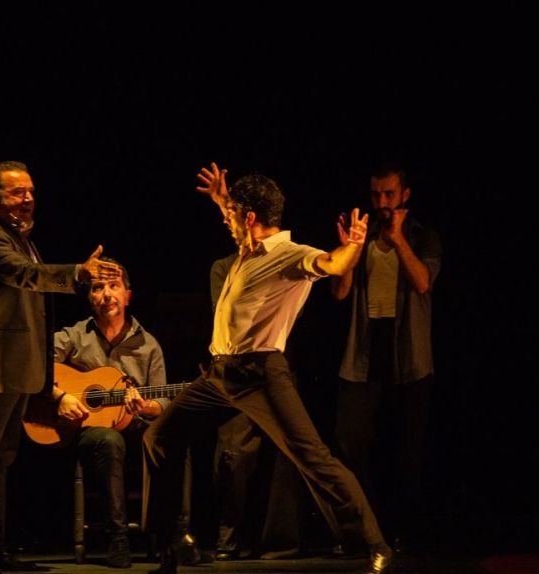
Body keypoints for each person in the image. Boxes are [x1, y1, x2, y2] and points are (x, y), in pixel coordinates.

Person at [142, 163, 392, 574]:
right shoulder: (248, 250)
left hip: (260, 374)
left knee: (313, 458)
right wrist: (224, 199)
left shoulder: (289, 256)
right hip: (219, 375)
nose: (226, 222)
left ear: (251, 218)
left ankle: (374, 543)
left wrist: (355, 246)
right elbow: (240, 218)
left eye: (231, 216)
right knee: (159, 437)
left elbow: (332, 264)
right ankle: (171, 546)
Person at [0, 160, 121, 574]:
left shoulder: (20, 237)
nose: (28, 199)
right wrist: (76, 273)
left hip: (15, 369)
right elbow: (26, 276)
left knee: (3, 457)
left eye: (30, 191)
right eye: (17, 192)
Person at [52, 258, 200, 568]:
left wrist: (145, 406)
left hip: (135, 424)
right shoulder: (73, 336)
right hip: (85, 429)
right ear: (89, 297)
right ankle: (117, 538)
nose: (107, 294)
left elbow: (162, 402)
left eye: (114, 286)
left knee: (175, 439)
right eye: (97, 287)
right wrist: (61, 395)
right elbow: (34, 365)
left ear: (128, 295)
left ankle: (178, 534)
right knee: (108, 440)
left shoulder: (149, 345)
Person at [331, 164, 442, 555]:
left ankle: (401, 533)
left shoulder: (423, 238)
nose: (381, 202)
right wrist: (349, 251)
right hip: (364, 352)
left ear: (404, 196)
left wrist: (398, 241)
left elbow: (423, 281)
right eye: (376, 194)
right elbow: (340, 293)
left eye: (389, 195)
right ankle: (365, 530)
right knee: (350, 443)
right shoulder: (363, 238)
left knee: (405, 452)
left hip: (408, 356)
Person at [209, 253, 305, 561]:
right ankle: (229, 538)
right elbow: (227, 317)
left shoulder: (285, 261)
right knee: (233, 452)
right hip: (238, 370)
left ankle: (279, 542)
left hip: (276, 365)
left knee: (284, 454)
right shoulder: (224, 268)